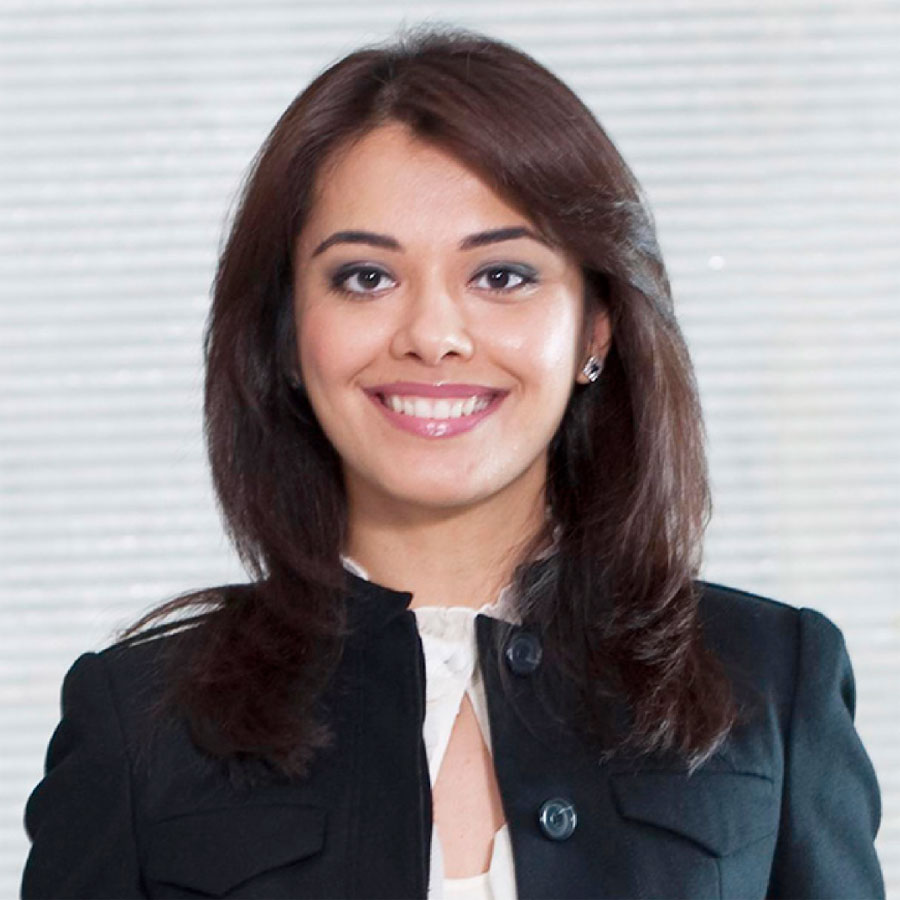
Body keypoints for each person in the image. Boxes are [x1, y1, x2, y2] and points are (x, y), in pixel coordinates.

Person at [21, 25, 883, 900]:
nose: (433, 336)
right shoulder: (139, 724)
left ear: (596, 328)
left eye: (502, 276)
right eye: (366, 277)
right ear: (286, 335)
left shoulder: (772, 682)